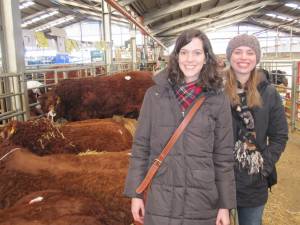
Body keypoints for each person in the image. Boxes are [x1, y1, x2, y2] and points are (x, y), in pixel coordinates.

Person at [124, 28, 236, 225]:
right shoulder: (155, 95)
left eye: (197, 53)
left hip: (202, 199)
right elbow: (141, 147)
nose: (189, 59)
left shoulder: (218, 99)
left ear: (206, 57)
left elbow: (223, 156)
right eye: (183, 52)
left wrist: (225, 206)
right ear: (176, 57)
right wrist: (136, 194)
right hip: (161, 197)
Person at [224, 34, 288, 225]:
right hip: (219, 177)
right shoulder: (215, 91)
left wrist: (264, 166)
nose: (244, 57)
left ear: (257, 57)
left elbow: (280, 135)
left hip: (254, 180)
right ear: (230, 56)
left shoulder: (269, 93)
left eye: (250, 52)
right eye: (238, 52)